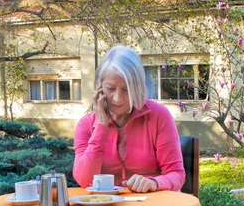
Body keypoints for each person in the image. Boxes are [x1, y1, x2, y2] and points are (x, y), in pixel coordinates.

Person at [73, 45, 185, 193]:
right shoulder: (86, 125)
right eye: (110, 88)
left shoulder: (159, 116)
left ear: (137, 87)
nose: (117, 99)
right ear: (99, 88)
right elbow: (85, 180)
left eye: (126, 89)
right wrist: (101, 127)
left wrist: (154, 182)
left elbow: (177, 175)